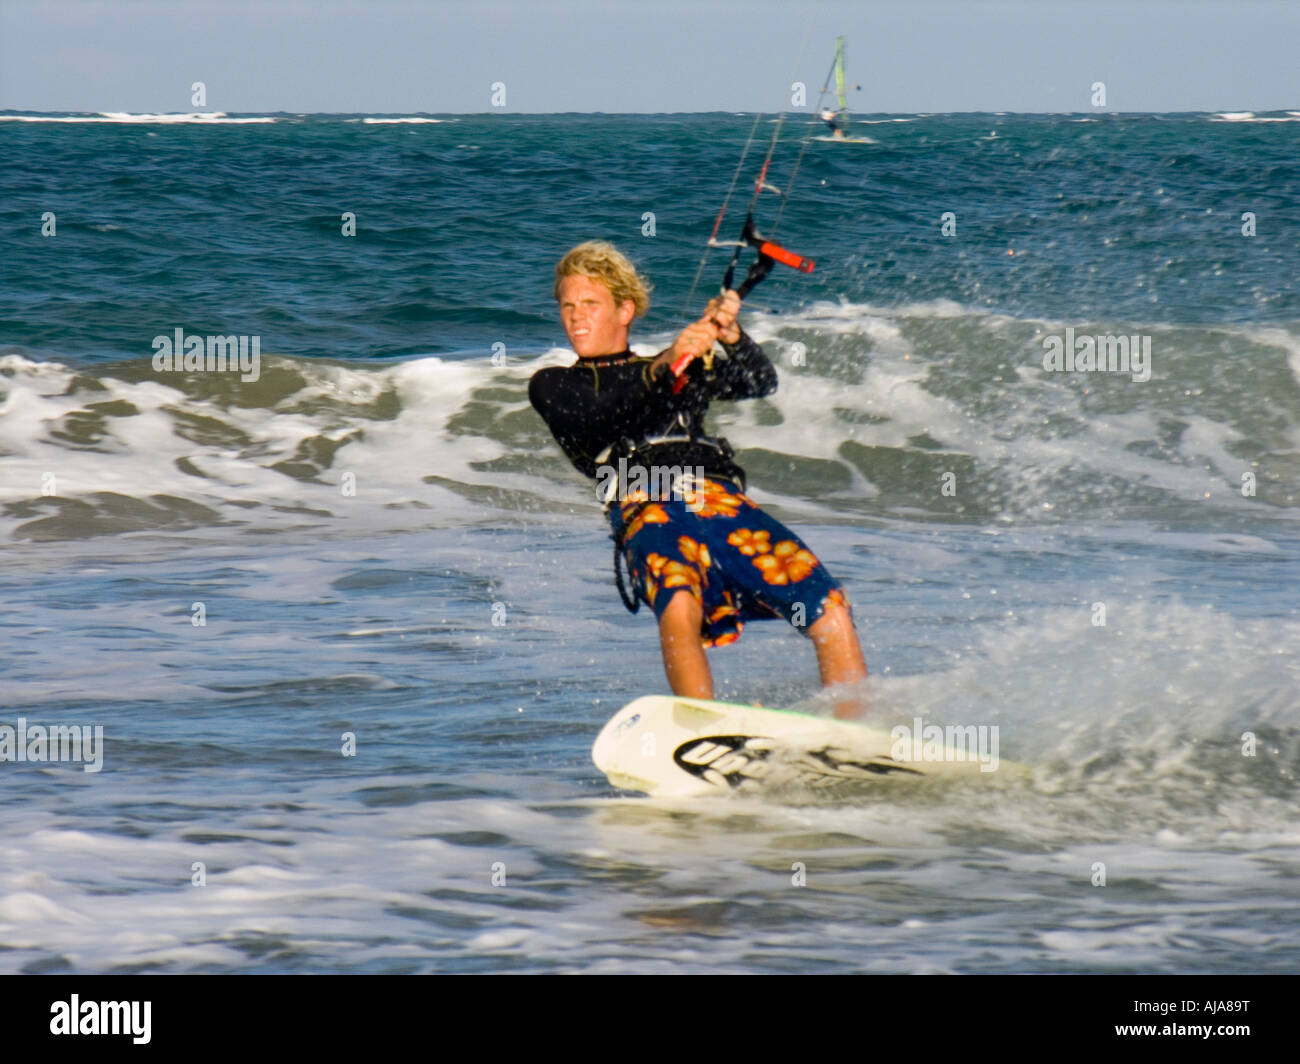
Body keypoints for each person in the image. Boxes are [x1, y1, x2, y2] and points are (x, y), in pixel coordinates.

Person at [528, 241, 867, 716]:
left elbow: (758, 382)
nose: (576, 317)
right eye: (567, 306)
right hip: (644, 500)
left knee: (828, 603)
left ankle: (853, 728)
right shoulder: (554, 384)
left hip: (718, 500)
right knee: (679, 599)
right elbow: (595, 415)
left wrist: (731, 336)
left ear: (625, 310)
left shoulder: (677, 369)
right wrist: (665, 364)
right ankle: (702, 726)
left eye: (590, 304)